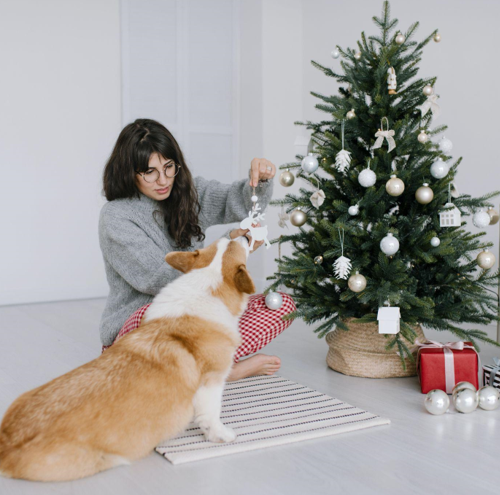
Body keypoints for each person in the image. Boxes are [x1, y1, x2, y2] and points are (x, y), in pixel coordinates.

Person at [98, 119, 296, 381]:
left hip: (198, 319)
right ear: (129, 172)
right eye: (150, 172)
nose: (163, 180)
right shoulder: (116, 216)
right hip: (141, 331)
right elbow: (158, 279)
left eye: (169, 167)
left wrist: (259, 181)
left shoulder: (188, 192)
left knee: (281, 305)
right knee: (162, 314)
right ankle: (224, 371)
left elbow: (237, 202)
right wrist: (231, 246)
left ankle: (201, 370)